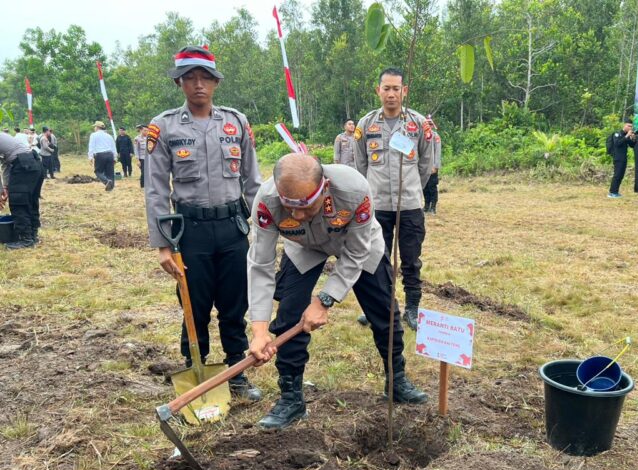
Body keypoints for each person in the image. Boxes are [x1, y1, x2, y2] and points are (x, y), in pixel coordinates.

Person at [248, 153, 428, 429]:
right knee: (288, 315)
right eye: (290, 207)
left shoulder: (354, 190)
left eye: (307, 206)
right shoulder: (266, 203)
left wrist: (324, 300)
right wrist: (259, 330)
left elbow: (356, 254)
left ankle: (397, 380)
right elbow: (260, 265)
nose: (297, 215)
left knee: (384, 312)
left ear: (325, 187)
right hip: (303, 247)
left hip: (356, 245)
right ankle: (291, 397)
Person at [145, 45, 262, 401]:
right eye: (191, 78)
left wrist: (265, 229)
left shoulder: (236, 122)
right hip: (190, 232)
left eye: (205, 78)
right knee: (193, 304)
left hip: (232, 228)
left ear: (215, 83)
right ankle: (194, 365)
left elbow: (253, 182)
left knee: (234, 303)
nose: (199, 85)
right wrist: (163, 244)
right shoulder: (163, 127)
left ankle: (236, 370)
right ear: (180, 82)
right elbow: (155, 190)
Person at [354, 67, 433, 331]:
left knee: (411, 259)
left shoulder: (417, 124)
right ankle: (382, 308)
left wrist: (411, 189)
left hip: (410, 205)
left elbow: (426, 164)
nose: (391, 94)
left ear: (404, 91)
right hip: (378, 207)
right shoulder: (366, 125)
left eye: (395, 89)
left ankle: (412, 308)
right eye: (386, 88)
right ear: (378, 91)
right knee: (378, 259)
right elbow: (360, 166)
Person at [0, 131, 44, 249]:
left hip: (23, 166)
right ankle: (33, 235)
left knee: (19, 202)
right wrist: (5, 187)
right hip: (35, 163)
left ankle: (26, 239)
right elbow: (5, 164)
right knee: (30, 201)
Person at [607, 118, 637, 198]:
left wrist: (633, 138)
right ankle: (612, 192)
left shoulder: (626, 135)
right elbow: (617, 143)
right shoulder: (617, 134)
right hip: (618, 158)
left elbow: (632, 145)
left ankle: (615, 192)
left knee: (621, 175)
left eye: (631, 126)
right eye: (629, 126)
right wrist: (627, 136)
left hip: (623, 158)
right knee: (617, 175)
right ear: (624, 125)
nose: (630, 128)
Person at [88, 121, 117, 191]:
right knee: (110, 172)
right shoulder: (109, 136)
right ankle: (111, 188)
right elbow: (113, 147)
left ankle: (106, 181)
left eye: (95, 127)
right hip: (110, 154)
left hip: (100, 155)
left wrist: (90, 157)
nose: (94, 128)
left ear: (97, 127)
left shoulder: (93, 135)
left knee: (98, 171)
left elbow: (91, 146)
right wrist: (115, 157)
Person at [422, 116, 441, 214]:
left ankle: (433, 207)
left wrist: (436, 166)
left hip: (432, 167)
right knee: (425, 187)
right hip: (424, 167)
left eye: (430, 124)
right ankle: (426, 206)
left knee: (432, 187)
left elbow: (437, 152)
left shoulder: (435, 136)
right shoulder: (422, 136)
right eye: (427, 124)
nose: (429, 126)